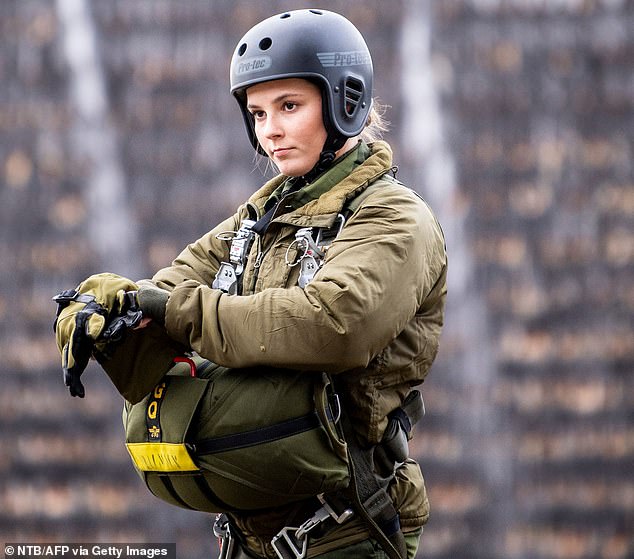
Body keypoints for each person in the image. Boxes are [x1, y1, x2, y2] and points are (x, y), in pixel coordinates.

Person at [53, 8, 447, 559]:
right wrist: (110, 310)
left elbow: (334, 325)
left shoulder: (393, 218)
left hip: (349, 528)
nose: (271, 131)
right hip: (250, 537)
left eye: (289, 107)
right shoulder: (260, 217)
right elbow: (175, 282)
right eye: (258, 113)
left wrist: (171, 311)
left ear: (345, 103)